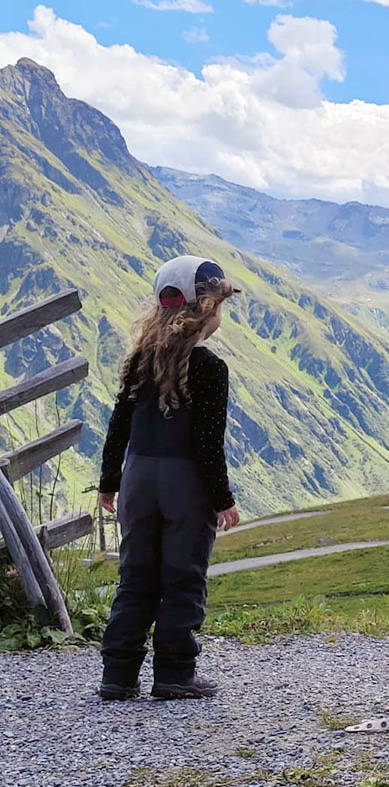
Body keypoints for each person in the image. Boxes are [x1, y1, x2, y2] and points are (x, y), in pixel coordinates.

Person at [97, 256, 240, 701]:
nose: (220, 315)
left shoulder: (139, 360)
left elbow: (118, 424)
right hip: (185, 484)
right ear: (205, 310)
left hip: (137, 479)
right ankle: (175, 674)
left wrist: (108, 483)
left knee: (136, 575)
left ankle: (118, 675)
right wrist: (222, 499)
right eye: (218, 306)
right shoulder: (210, 368)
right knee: (182, 575)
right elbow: (206, 442)